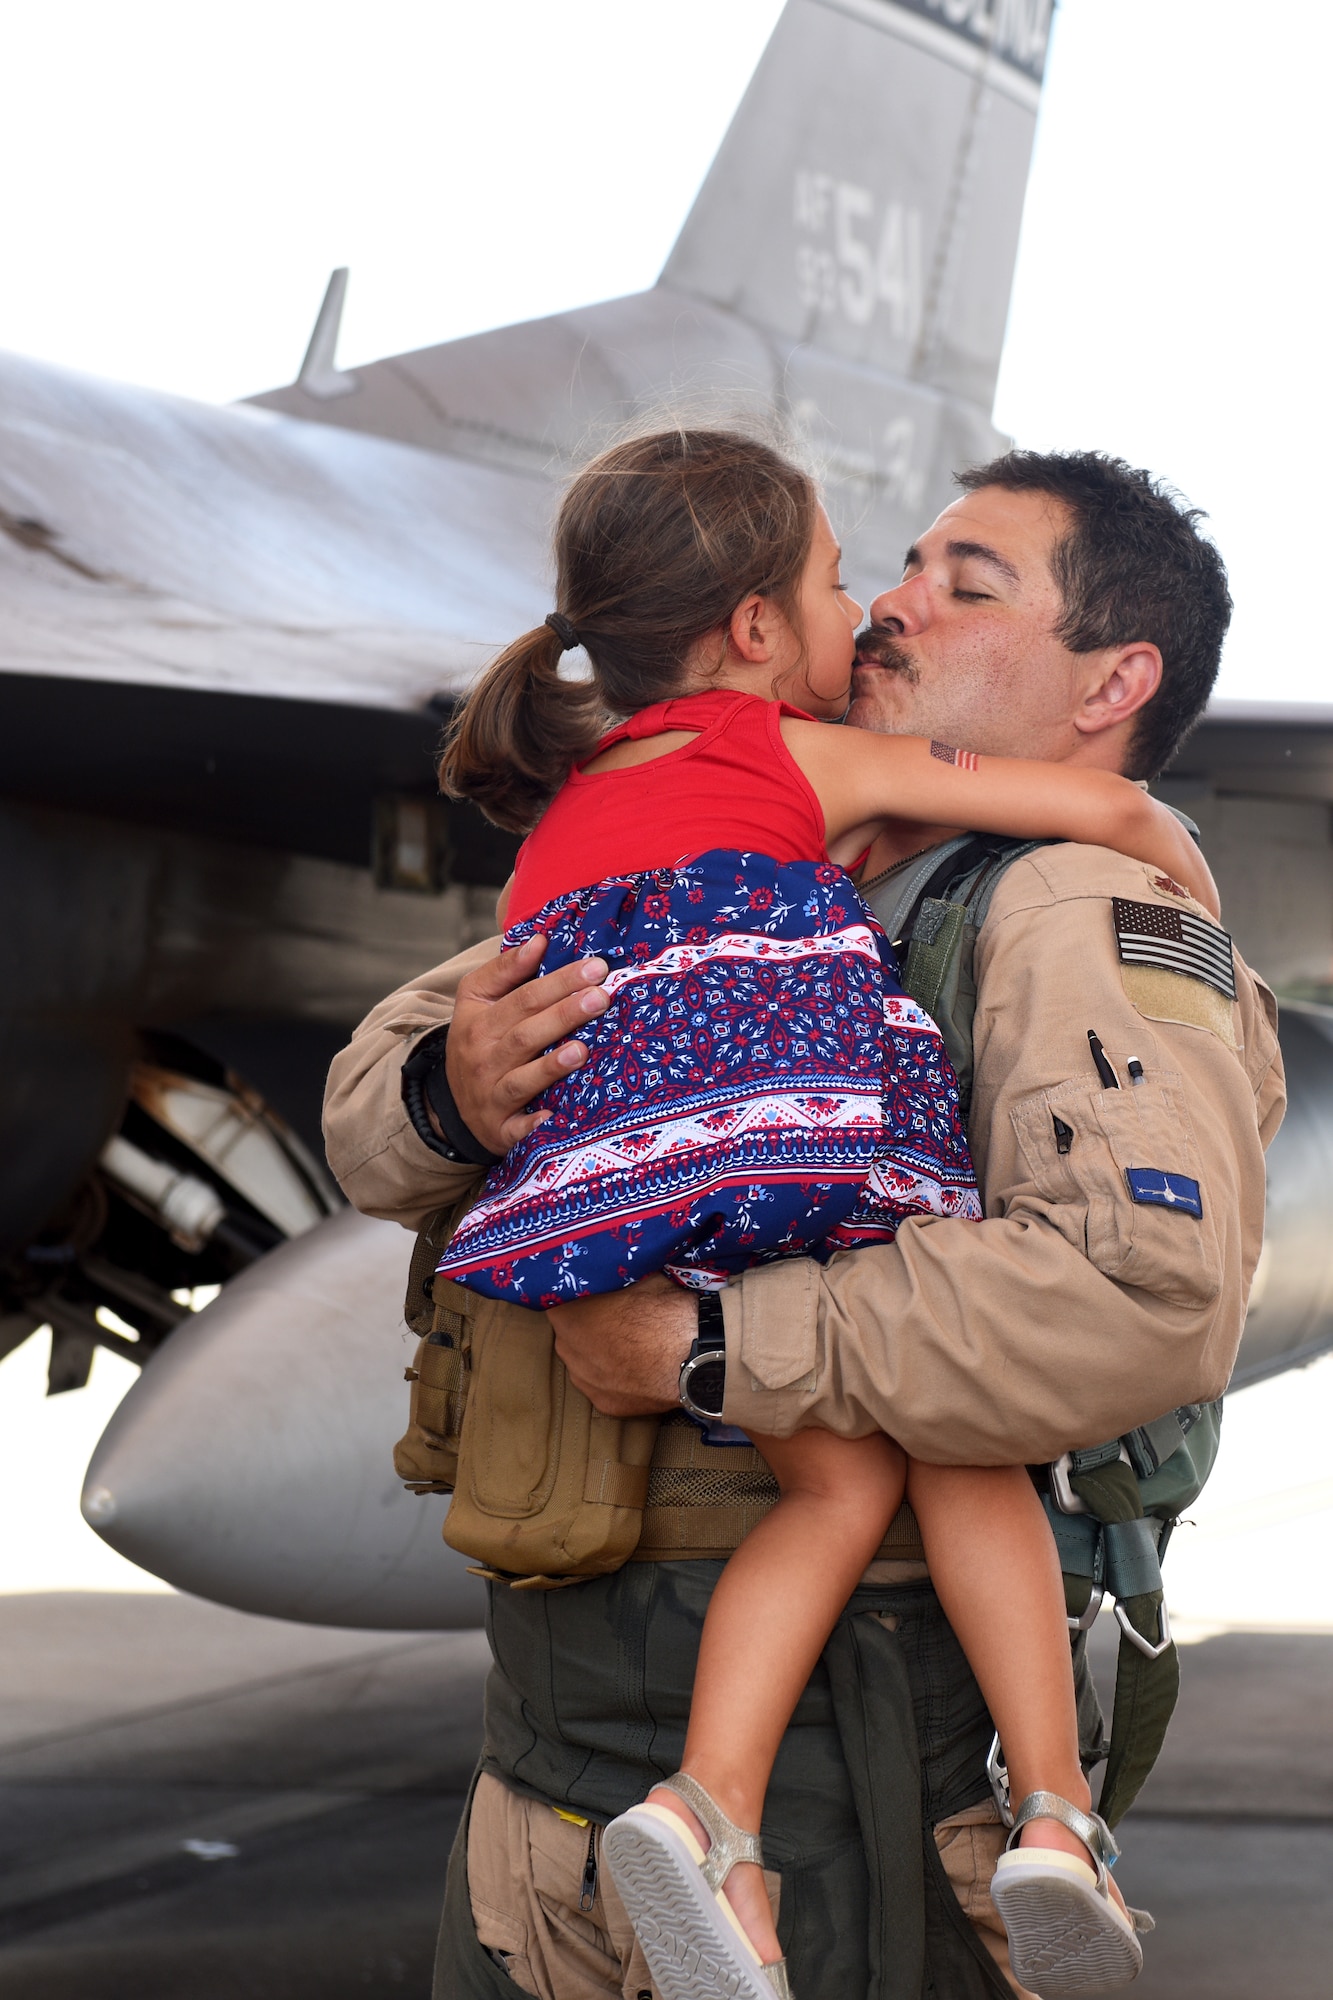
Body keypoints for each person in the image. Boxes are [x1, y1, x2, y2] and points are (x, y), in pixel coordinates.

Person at [323, 449, 1284, 2000]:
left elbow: (1140, 1296)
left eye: (961, 587)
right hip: (550, 1798)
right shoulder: (733, 851)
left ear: (1113, 680)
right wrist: (456, 1086)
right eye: (888, 569)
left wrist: (711, 1346)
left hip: (857, 1793)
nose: (893, 609)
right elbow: (372, 1115)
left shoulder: (1064, 912)